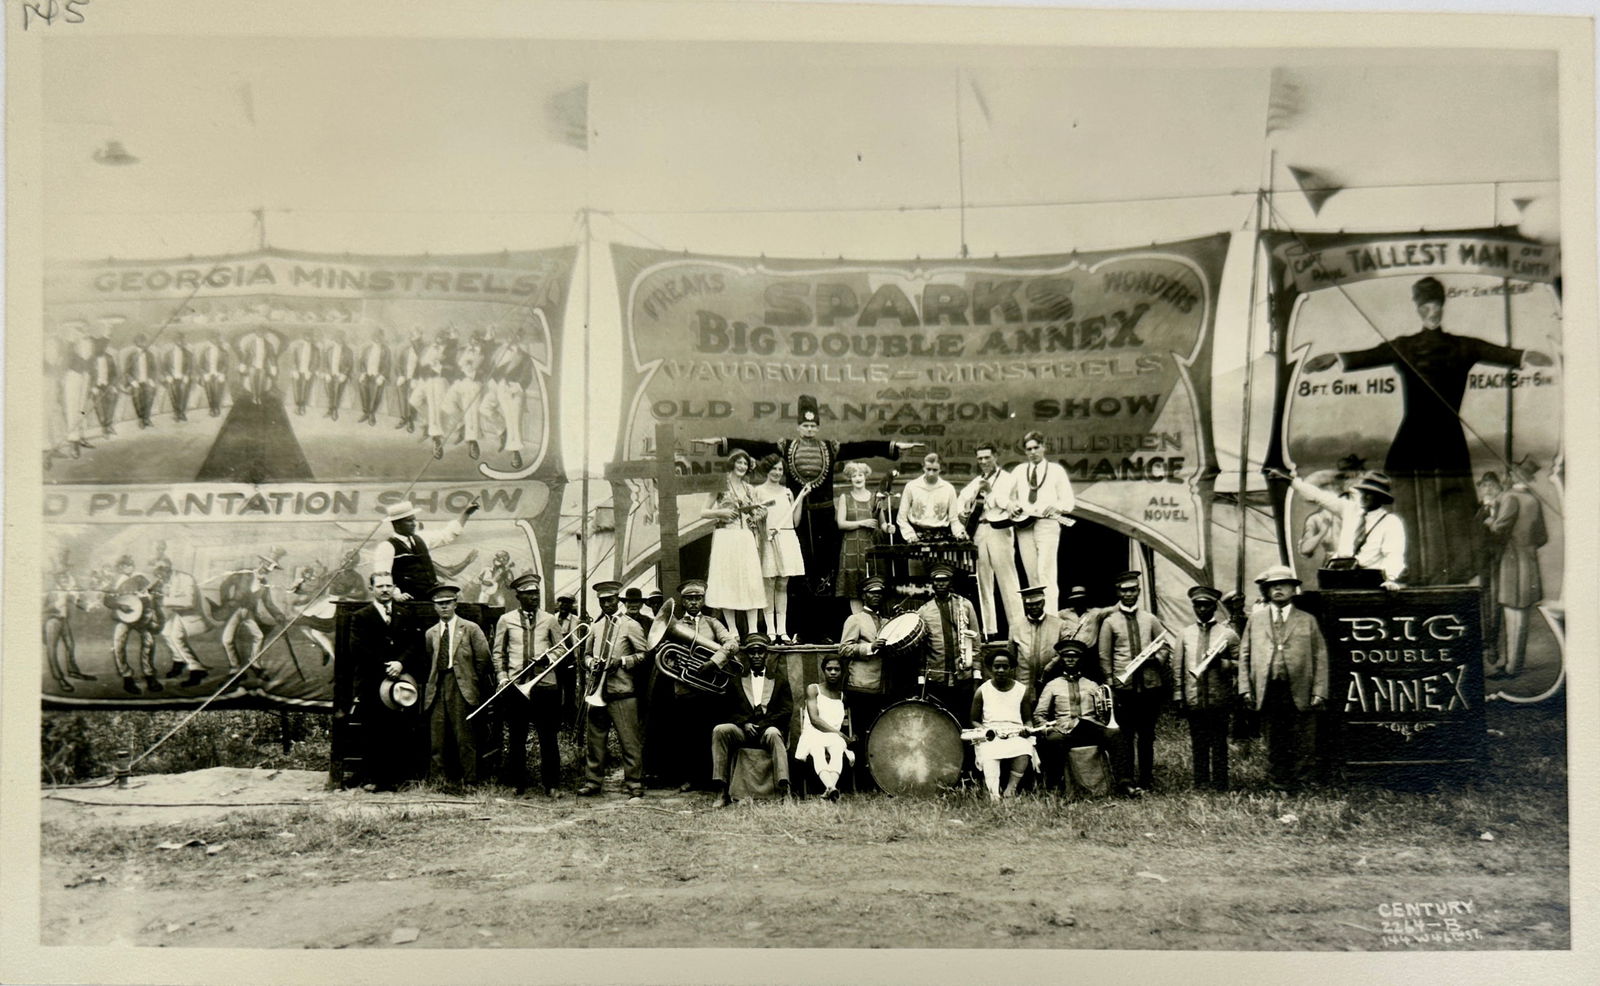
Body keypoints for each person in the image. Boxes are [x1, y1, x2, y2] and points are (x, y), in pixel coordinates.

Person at [1303, 275, 1552, 585]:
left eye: (1435, 305)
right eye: (1425, 306)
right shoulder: (1405, 346)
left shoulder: (1463, 346)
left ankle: (1456, 569)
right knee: (1405, 499)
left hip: (1448, 437)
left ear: (1442, 306)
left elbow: (1498, 353)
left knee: (1452, 503)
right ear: (1418, 309)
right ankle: (1408, 568)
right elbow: (1370, 355)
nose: (1431, 311)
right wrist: (1336, 358)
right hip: (1413, 436)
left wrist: (1524, 357)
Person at [717, 394, 906, 598]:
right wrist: (724, 443)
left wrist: (892, 447)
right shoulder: (786, 447)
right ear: (799, 427)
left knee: (827, 562)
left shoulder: (829, 448)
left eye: (813, 426)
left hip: (824, 516)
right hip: (796, 517)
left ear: (817, 428)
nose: (809, 430)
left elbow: (861, 448)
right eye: (805, 425)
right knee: (798, 564)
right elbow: (757, 447)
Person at [1239, 565, 1328, 792]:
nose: (1277, 589)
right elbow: (1245, 655)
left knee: (1303, 737)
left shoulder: (1307, 620)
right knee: (1274, 738)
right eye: (1272, 586)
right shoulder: (1255, 620)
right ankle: (1278, 782)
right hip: (1268, 689)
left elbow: (1320, 656)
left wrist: (1319, 690)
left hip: (1300, 687)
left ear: (1293, 589)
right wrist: (1246, 688)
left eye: (1283, 584)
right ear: (1267, 591)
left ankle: (1304, 782)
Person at [492, 572, 568, 796]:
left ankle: (552, 785)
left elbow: (562, 649)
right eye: (528, 594)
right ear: (519, 596)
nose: (534, 598)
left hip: (545, 686)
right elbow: (498, 653)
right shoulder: (505, 620)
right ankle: (517, 783)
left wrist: (550, 659)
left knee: (548, 738)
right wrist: (503, 677)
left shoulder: (550, 620)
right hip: (516, 686)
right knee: (516, 737)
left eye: (536, 593)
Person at [661, 580, 740, 791]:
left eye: (698, 598)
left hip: (710, 692)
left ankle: (714, 779)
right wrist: (673, 662)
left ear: (703, 600)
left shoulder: (713, 623)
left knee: (710, 734)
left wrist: (714, 662)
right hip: (685, 689)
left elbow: (732, 644)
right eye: (689, 598)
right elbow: (664, 654)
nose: (694, 603)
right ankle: (690, 779)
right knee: (687, 737)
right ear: (682, 601)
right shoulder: (674, 624)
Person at [1097, 570, 1170, 795]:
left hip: (1149, 687)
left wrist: (1156, 658)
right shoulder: (1110, 622)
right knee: (1125, 737)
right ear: (1118, 592)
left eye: (1132, 590)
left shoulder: (1150, 619)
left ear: (1138, 591)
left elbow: (1165, 646)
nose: (1128, 594)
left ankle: (1147, 779)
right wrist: (1111, 684)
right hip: (1124, 690)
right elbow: (1104, 655)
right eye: (1124, 590)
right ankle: (1126, 781)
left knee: (1147, 736)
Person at [577, 580, 650, 798]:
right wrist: (592, 664)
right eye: (602, 601)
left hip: (622, 692)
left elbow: (644, 655)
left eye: (610, 600)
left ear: (617, 600)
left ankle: (634, 781)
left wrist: (622, 662)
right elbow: (586, 656)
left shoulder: (630, 624)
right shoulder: (596, 627)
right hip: (597, 692)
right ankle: (593, 781)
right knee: (595, 741)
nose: (607, 604)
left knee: (629, 740)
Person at [350, 572, 423, 792]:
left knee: (398, 729)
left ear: (394, 588)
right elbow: (359, 648)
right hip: (372, 681)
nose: (384, 589)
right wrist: (385, 665)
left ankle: (395, 780)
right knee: (372, 729)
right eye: (379, 586)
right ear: (371, 589)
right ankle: (371, 778)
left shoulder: (406, 614)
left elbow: (415, 643)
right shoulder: (361, 616)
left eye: (388, 585)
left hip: (400, 681)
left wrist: (400, 664)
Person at [710, 633, 795, 807]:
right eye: (752, 652)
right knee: (720, 730)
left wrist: (763, 724)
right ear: (747, 655)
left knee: (774, 733)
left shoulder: (779, 680)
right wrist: (744, 723)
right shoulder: (736, 680)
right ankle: (721, 790)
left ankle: (785, 790)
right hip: (743, 730)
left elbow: (786, 710)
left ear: (767, 654)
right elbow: (728, 710)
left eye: (760, 652)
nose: (756, 656)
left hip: (767, 730)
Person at [422, 583, 493, 789]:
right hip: (437, 686)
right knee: (438, 736)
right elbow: (430, 659)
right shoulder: (431, 633)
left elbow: (483, 660)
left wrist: (471, 682)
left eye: (447, 603)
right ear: (434, 607)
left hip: (462, 687)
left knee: (465, 736)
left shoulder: (470, 629)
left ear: (455, 604)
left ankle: (469, 780)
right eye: (439, 604)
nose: (444, 607)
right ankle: (438, 780)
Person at [1171, 585, 1238, 792]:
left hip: (1219, 698)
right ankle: (1200, 782)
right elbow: (1178, 666)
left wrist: (1224, 663)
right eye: (1198, 605)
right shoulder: (1185, 634)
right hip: (1194, 697)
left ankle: (1220, 783)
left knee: (1219, 742)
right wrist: (1178, 694)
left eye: (1206, 605)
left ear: (1214, 607)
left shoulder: (1228, 634)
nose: (1202, 609)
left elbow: (1244, 664)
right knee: (1198, 742)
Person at [1487, 458, 1548, 678]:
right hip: (1529, 563)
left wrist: (1490, 519)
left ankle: (1512, 667)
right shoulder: (1533, 500)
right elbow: (1542, 537)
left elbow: (1499, 530)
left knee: (1512, 615)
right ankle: (1514, 664)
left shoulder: (1509, 497)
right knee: (1520, 616)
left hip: (1512, 563)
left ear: (1514, 476)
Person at [958, 441, 1024, 638]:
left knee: (1008, 579)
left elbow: (1008, 503)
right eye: (980, 459)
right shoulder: (976, 481)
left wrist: (989, 492)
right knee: (983, 581)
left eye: (987, 457)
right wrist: (964, 511)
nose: (984, 461)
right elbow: (962, 502)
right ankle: (989, 631)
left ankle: (1018, 630)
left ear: (996, 456)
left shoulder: (1009, 479)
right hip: (979, 530)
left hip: (999, 530)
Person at [1032, 638, 1113, 799]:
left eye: (1074, 656)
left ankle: (1124, 782)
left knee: (1116, 735)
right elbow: (1038, 715)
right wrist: (1048, 728)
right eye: (1066, 656)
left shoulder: (1092, 685)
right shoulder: (1052, 685)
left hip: (1090, 728)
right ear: (1061, 659)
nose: (1070, 659)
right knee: (1053, 740)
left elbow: (1102, 713)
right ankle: (1057, 786)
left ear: (1081, 659)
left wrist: (1105, 721)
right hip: (1064, 730)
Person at [1007, 430, 1076, 611]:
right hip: (1024, 525)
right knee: (1031, 573)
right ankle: (1037, 617)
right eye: (1028, 449)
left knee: (1046, 571)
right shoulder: (1019, 471)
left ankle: (1051, 617)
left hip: (1047, 523)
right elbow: (1006, 495)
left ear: (1044, 447)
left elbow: (1068, 500)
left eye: (1036, 447)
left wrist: (1057, 507)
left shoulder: (1056, 470)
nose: (1032, 452)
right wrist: (1011, 505)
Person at [704, 449, 768, 635]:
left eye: (745, 464)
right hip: (726, 537)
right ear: (732, 464)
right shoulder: (720, 484)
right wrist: (720, 513)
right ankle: (732, 630)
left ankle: (753, 630)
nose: (742, 467)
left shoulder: (749, 489)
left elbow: (755, 514)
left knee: (750, 580)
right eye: (739, 463)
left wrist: (760, 514)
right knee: (727, 580)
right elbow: (703, 511)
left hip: (745, 537)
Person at [370, 498, 479, 601]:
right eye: (409, 521)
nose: (414, 524)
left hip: (430, 597)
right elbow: (382, 576)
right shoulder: (386, 547)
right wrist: (396, 594)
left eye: (414, 520)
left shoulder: (421, 538)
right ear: (397, 524)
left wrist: (466, 514)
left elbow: (447, 535)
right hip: (407, 601)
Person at [916, 563, 982, 725]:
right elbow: (922, 648)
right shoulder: (924, 611)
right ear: (932, 583)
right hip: (937, 678)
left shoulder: (965, 605)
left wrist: (976, 673)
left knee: (966, 719)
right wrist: (921, 676)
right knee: (940, 722)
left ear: (950, 581)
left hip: (963, 676)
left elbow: (976, 640)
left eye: (944, 580)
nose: (940, 584)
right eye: (937, 581)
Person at [967, 652, 1038, 801]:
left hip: (1015, 732)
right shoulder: (982, 690)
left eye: (1005, 667)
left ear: (1011, 669)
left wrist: (1027, 729)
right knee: (989, 751)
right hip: (990, 733)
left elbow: (1027, 719)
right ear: (990, 669)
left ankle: (1010, 790)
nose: (1000, 670)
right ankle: (994, 794)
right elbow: (973, 720)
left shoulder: (1021, 690)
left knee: (1024, 748)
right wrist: (985, 731)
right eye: (997, 667)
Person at [755, 454, 808, 642]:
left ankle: (782, 630)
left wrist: (800, 499)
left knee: (783, 584)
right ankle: (770, 630)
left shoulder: (787, 492)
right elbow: (754, 519)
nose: (777, 473)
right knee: (769, 582)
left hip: (786, 537)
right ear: (767, 470)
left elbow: (795, 520)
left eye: (780, 469)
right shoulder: (758, 492)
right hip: (768, 538)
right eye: (774, 469)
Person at [837, 576, 892, 752]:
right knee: (862, 735)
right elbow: (844, 649)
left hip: (883, 687)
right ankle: (862, 777)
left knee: (881, 735)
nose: (876, 596)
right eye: (872, 593)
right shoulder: (855, 619)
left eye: (879, 593)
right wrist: (869, 647)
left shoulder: (886, 622)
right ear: (864, 596)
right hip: (861, 687)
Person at [796, 654, 855, 801]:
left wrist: (843, 736)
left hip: (833, 736)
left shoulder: (842, 696)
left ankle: (830, 788)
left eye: (837, 669)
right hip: (813, 733)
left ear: (842, 672)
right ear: (823, 670)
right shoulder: (813, 689)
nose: (833, 672)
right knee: (817, 747)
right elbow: (815, 720)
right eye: (829, 669)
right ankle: (831, 787)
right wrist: (841, 734)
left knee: (837, 747)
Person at [485, 322, 537, 471]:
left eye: (515, 336)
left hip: (515, 390)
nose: (511, 338)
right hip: (500, 387)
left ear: (519, 338)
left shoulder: (524, 356)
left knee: (514, 420)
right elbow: (489, 357)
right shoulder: (499, 351)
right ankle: (502, 431)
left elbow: (527, 375)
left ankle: (515, 452)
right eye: (509, 335)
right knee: (489, 410)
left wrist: (518, 386)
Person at [150, 558, 208, 687]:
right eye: (156, 571)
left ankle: (197, 670)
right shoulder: (164, 580)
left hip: (191, 615)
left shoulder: (186, 579)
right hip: (178, 614)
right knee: (166, 633)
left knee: (176, 637)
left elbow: (189, 602)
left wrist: (163, 600)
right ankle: (179, 662)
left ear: (169, 568)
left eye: (161, 570)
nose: (159, 575)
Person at [834, 461, 881, 613]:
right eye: (854, 475)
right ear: (850, 478)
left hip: (870, 547)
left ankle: (870, 624)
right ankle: (859, 622)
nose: (858, 478)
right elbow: (841, 524)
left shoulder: (876, 498)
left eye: (860, 474)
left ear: (866, 476)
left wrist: (889, 527)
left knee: (871, 586)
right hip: (851, 548)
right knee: (853, 589)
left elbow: (883, 523)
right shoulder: (844, 498)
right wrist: (863, 523)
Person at [43, 569, 95, 692]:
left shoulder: (66, 591)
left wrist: (88, 606)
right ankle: (59, 678)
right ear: (57, 580)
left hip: (63, 621)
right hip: (52, 622)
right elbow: (44, 609)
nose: (65, 581)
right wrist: (56, 605)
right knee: (52, 650)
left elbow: (76, 601)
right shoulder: (52, 593)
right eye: (62, 579)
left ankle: (73, 671)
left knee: (70, 645)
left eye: (66, 579)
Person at [897, 452, 964, 545]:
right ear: (923, 467)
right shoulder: (911, 486)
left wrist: (960, 533)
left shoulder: (948, 489)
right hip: (916, 538)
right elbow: (901, 518)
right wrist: (910, 536)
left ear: (941, 469)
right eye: (928, 469)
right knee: (916, 559)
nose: (931, 473)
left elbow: (954, 519)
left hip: (941, 539)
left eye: (935, 470)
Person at [1009, 584, 1066, 694]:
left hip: (1051, 679)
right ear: (1025, 605)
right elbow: (1011, 657)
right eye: (1029, 605)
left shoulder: (1059, 625)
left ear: (1043, 603)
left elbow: (1064, 651)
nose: (1034, 607)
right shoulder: (1015, 627)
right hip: (1024, 682)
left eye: (1037, 604)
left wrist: (1053, 663)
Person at [356, 327, 392, 426]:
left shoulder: (386, 350)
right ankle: (366, 412)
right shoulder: (367, 349)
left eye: (379, 337)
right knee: (362, 386)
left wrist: (382, 376)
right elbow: (362, 362)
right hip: (367, 373)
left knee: (377, 391)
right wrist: (363, 373)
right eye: (375, 336)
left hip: (378, 375)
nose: (377, 339)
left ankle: (372, 413)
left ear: (382, 338)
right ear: (372, 337)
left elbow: (387, 364)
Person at [160, 331, 196, 424]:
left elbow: (190, 367)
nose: (181, 341)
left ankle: (182, 413)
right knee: (173, 394)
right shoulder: (168, 354)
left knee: (184, 393)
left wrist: (187, 376)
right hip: (172, 378)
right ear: (174, 341)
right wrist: (168, 376)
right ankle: (177, 413)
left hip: (184, 377)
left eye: (182, 339)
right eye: (179, 340)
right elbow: (164, 367)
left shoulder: (189, 354)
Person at [195, 329, 230, 418]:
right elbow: (199, 365)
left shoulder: (223, 351)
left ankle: (217, 407)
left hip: (218, 373)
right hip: (208, 372)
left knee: (218, 387)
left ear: (219, 340)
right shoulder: (205, 351)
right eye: (213, 339)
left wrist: (222, 373)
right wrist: (204, 373)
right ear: (210, 340)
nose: (215, 340)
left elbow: (226, 364)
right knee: (209, 387)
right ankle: (212, 407)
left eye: (217, 338)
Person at [320, 336, 355, 421]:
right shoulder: (329, 350)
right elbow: (325, 363)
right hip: (330, 374)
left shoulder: (348, 351)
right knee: (330, 393)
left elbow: (350, 364)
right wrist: (327, 373)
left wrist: (344, 374)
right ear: (334, 340)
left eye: (340, 339)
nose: (338, 341)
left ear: (343, 340)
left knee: (337, 393)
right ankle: (330, 409)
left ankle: (334, 410)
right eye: (337, 339)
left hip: (340, 375)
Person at [286, 333, 320, 415]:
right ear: (303, 337)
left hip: (307, 372)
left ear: (312, 337)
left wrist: (310, 371)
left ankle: (302, 407)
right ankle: (298, 406)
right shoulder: (298, 347)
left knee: (305, 390)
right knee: (296, 389)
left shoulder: (315, 349)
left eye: (310, 336)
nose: (308, 338)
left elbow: (316, 362)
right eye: (307, 336)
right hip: (298, 371)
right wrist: (294, 370)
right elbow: (293, 359)